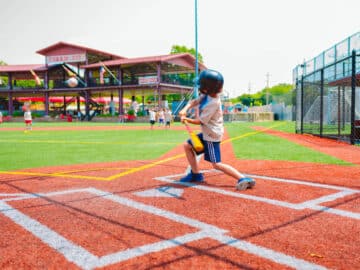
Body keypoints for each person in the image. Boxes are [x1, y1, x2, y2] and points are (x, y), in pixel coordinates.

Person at [178, 69, 255, 190]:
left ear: (207, 88)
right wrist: (185, 108)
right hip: (208, 133)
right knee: (187, 146)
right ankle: (196, 174)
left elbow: (200, 121)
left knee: (216, 164)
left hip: (212, 136)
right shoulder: (208, 95)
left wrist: (186, 119)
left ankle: (242, 178)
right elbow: (195, 101)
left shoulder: (213, 103)